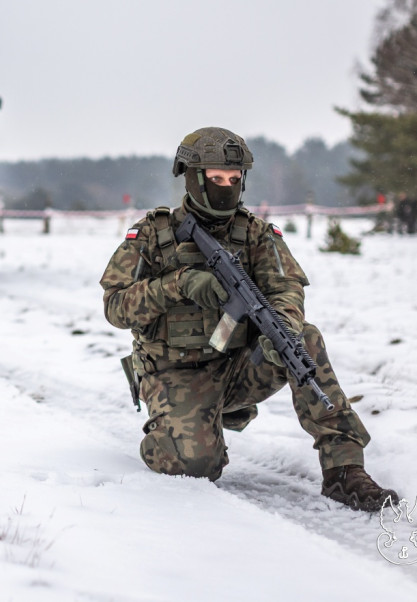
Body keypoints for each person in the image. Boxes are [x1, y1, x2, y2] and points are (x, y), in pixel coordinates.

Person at [99, 127, 398, 512]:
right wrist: (179, 284)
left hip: (237, 367)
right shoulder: (153, 236)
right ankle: (174, 433)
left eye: (234, 179)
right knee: (194, 465)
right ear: (192, 177)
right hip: (174, 373)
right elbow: (116, 306)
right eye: (216, 178)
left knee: (301, 340)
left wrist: (284, 325)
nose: (226, 187)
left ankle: (344, 469)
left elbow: (287, 289)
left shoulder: (256, 234)